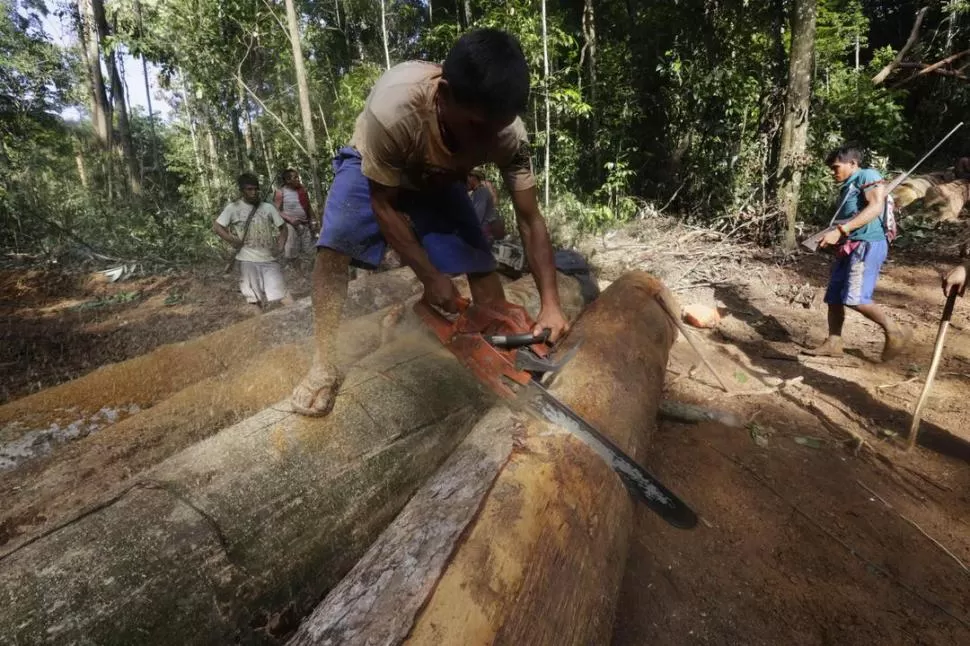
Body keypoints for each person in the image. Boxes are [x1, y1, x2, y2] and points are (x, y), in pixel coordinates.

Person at [289, 28, 569, 417]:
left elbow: (529, 218)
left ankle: (499, 352)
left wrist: (552, 304)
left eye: (495, 130)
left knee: (479, 260)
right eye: (476, 128)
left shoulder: (508, 136)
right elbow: (383, 206)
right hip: (377, 165)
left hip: (440, 174)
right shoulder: (394, 111)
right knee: (334, 247)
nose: (485, 142)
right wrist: (430, 277)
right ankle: (323, 363)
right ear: (446, 94)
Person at [804, 146, 909, 361]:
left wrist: (841, 231)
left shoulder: (867, 175)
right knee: (833, 297)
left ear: (852, 163)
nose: (834, 172)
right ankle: (834, 343)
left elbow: (876, 207)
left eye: (836, 167)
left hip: (866, 245)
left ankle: (895, 330)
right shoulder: (848, 186)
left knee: (856, 298)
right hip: (850, 245)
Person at [213, 172, 293, 312]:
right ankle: (261, 329)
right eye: (249, 189)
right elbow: (217, 226)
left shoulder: (268, 207)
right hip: (246, 261)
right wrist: (232, 239)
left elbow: (283, 228)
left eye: (256, 189)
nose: (253, 192)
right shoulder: (233, 208)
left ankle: (300, 325)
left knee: (284, 295)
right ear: (242, 191)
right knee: (253, 301)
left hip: (269, 259)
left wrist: (280, 246)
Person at [273, 168, 316, 269]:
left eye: (298, 177)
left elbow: (308, 207)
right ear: (288, 180)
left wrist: (313, 221)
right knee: (291, 247)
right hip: (289, 224)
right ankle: (293, 269)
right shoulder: (280, 192)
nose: (298, 179)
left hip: (304, 223)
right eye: (295, 177)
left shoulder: (302, 190)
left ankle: (308, 269)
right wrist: (290, 219)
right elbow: (275, 211)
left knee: (309, 248)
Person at [467, 168, 505, 242]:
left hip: (483, 236)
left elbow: (478, 217)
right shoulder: (475, 193)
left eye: (467, 178)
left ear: (473, 177)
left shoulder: (481, 192)